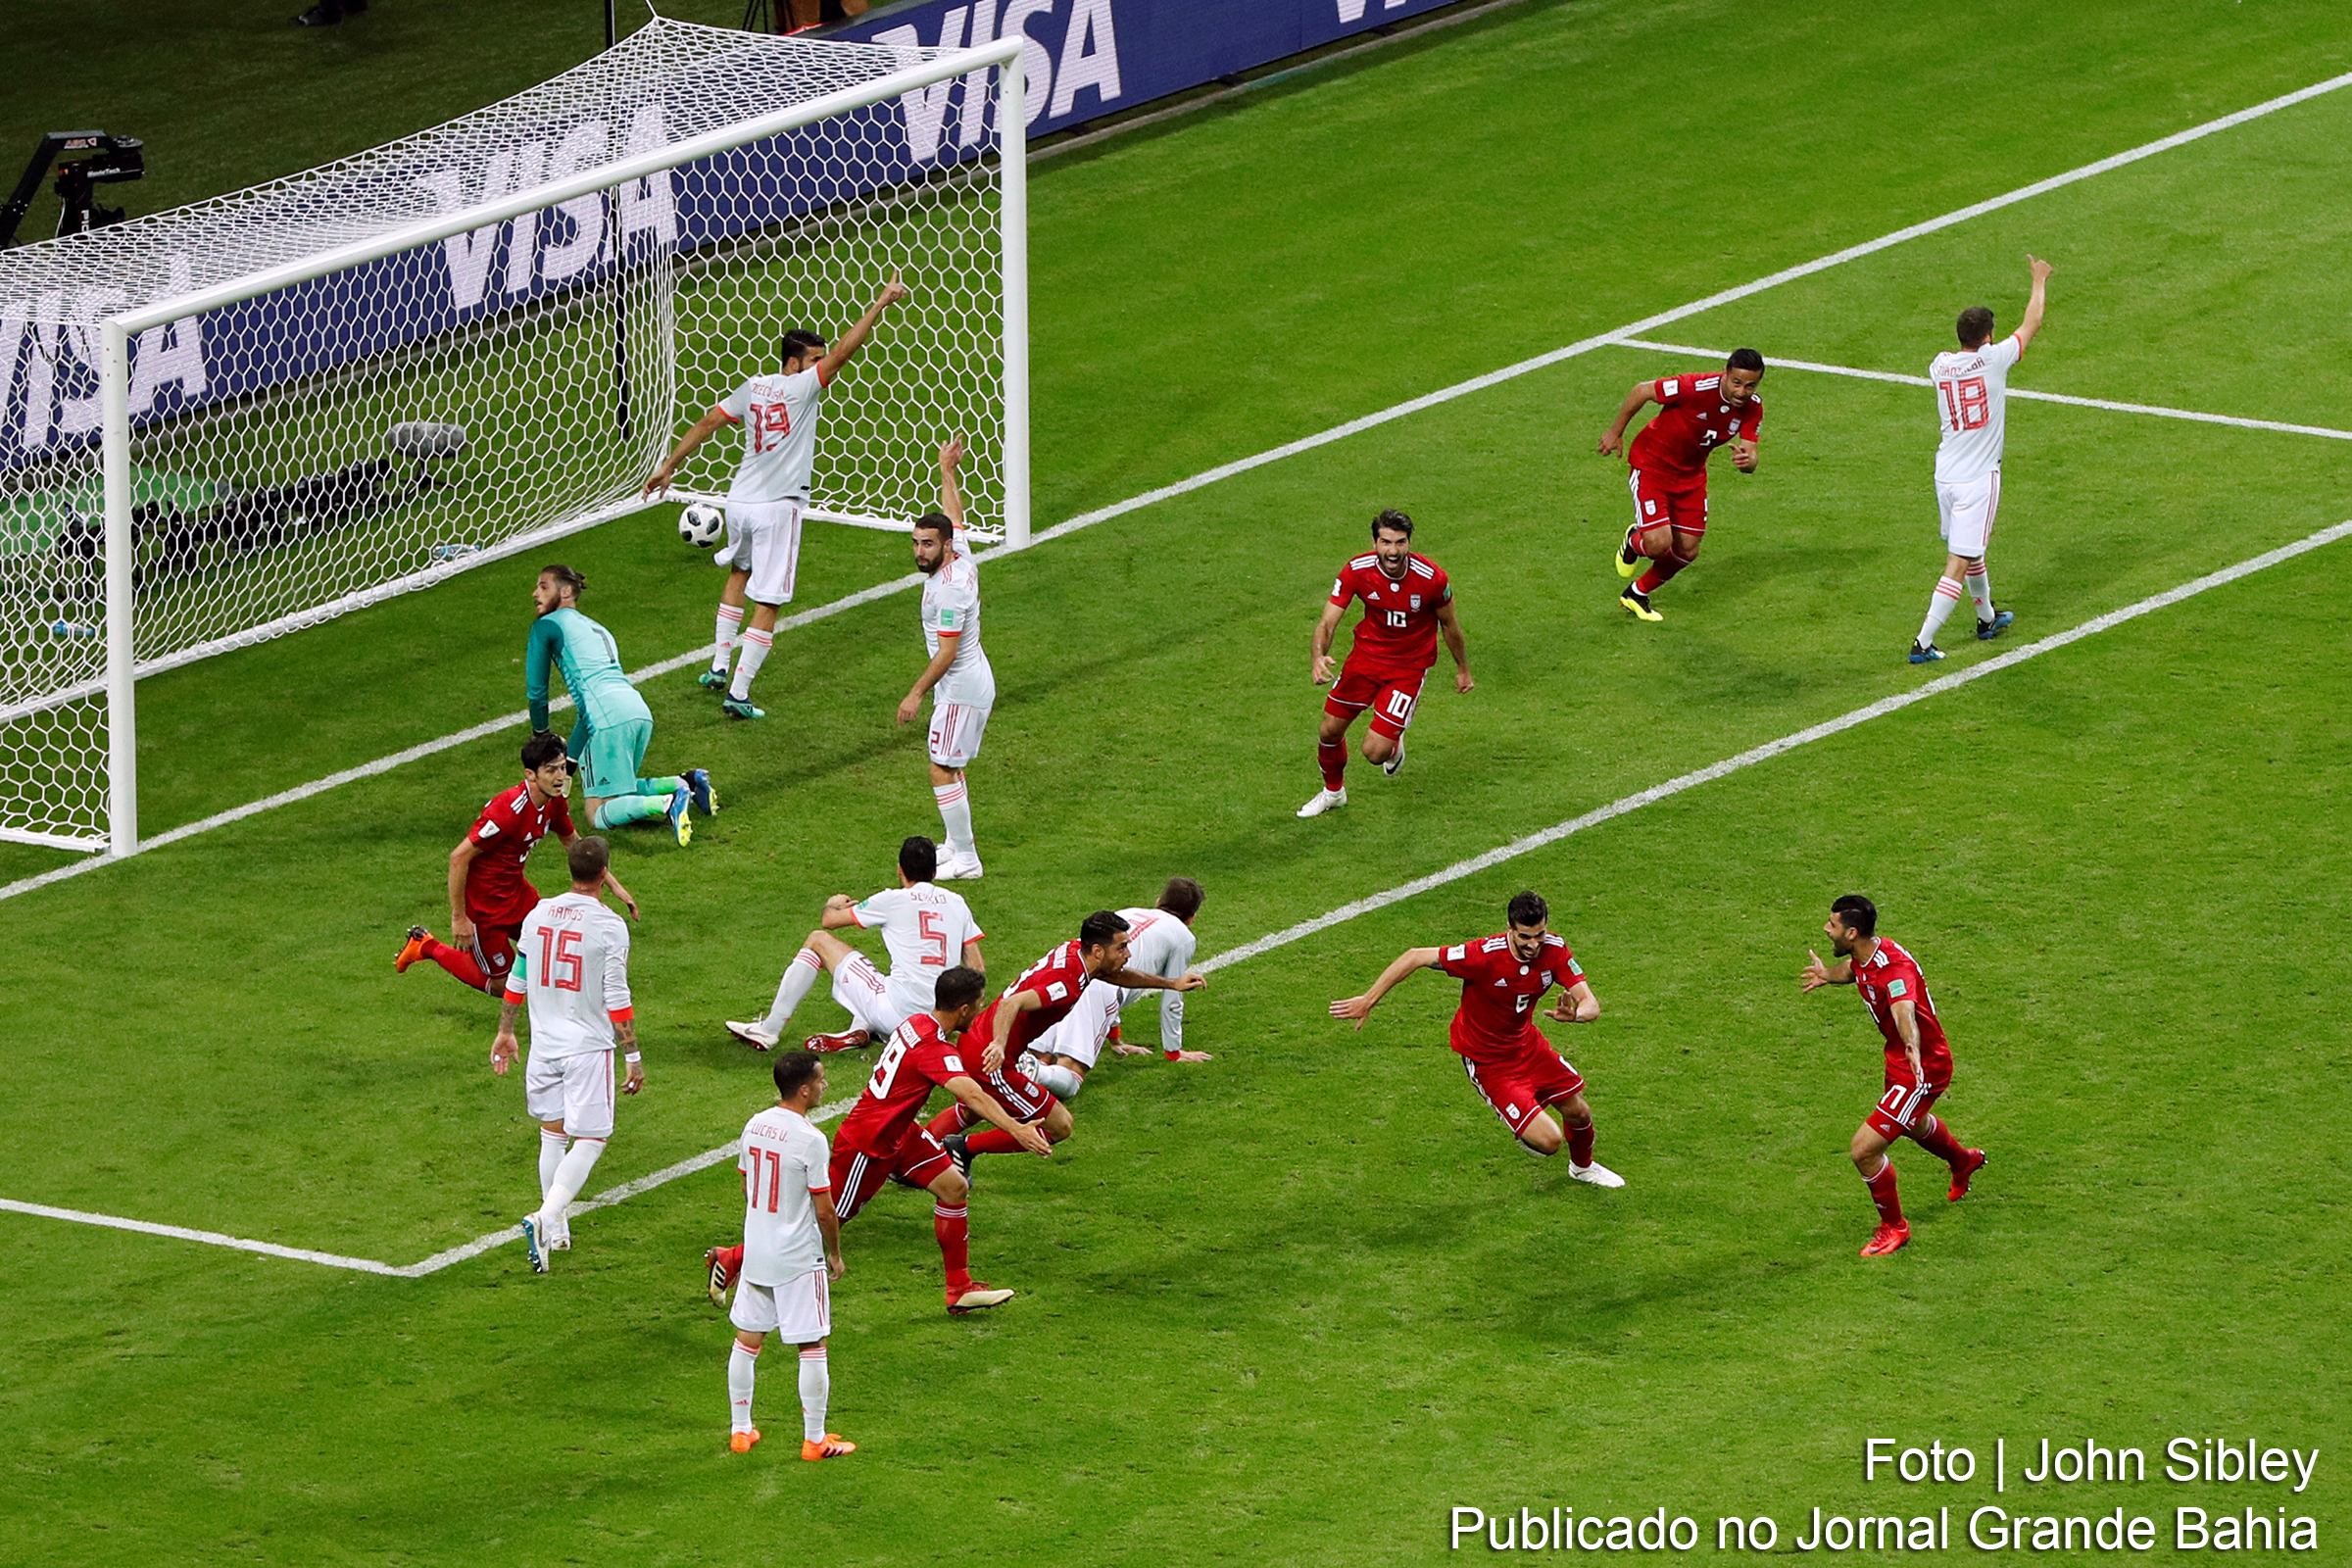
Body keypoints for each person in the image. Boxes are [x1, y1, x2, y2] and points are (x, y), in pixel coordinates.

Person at [707, 967, 1052, 1316]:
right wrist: (1016, 1129)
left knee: (954, 1187)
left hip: (900, 1132)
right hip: (868, 1144)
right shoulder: (932, 1047)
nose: (980, 1011)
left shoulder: (917, 1023)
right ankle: (731, 1257)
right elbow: (972, 1095)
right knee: (818, 1226)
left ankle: (959, 1289)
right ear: (963, 1009)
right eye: (978, 1005)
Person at [642, 277, 911, 720]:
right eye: (814, 361)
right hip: (777, 507)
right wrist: (880, 303)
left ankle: (718, 666)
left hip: (739, 502)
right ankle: (740, 693)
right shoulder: (802, 387)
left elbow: (710, 421)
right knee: (769, 600)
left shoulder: (753, 387)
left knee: (739, 571)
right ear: (793, 363)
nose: (821, 367)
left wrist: (669, 465)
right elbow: (846, 352)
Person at [1329, 890, 1621, 1186]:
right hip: (1489, 1062)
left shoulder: (1554, 950)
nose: (1534, 944)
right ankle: (1522, 1123)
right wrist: (1368, 1000)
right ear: (1510, 929)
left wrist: (1577, 1015)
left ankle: (1583, 1169)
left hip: (1527, 1047)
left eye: (1540, 935)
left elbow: (1591, 1003)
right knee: (1550, 1141)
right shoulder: (1482, 956)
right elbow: (1415, 956)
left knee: (1579, 1112)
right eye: (1525, 937)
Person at [928, 910, 1206, 1173]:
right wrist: (999, 1044)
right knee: (1059, 1126)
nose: (1128, 954)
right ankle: (962, 1148)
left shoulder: (1077, 951)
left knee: (974, 1107)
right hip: (991, 1057)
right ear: (1098, 951)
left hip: (977, 1038)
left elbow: (1116, 975)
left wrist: (1171, 984)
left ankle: (917, 1150)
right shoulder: (1066, 983)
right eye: (1121, 948)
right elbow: (1011, 1004)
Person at [1800, 895, 1987, 1256]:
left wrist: (1912, 1046)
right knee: (1913, 1124)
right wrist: (1826, 975)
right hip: (1900, 1062)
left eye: (1832, 925)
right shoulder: (1868, 954)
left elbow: (1904, 1010)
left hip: (1920, 1069)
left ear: (1852, 932)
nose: (1827, 929)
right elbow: (1856, 972)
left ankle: (1894, 1227)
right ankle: (1964, 1161)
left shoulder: (1895, 970)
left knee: (1863, 1150)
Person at [491, 836, 643, 1270]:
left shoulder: (537, 915)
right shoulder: (610, 925)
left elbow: (518, 976)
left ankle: (556, 1234)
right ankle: (547, 1216)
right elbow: (616, 994)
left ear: (571, 870)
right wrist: (631, 1055)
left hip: (543, 1047)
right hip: (586, 1048)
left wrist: (505, 1031)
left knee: (552, 1134)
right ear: (604, 873)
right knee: (592, 1139)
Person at [395, 732, 638, 996]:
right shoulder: (507, 811)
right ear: (531, 774)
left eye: (562, 768)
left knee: (549, 950)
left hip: (517, 894)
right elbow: (459, 857)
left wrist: (612, 884)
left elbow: (574, 845)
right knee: (503, 986)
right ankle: (425, 945)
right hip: (485, 909)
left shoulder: (554, 801)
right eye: (550, 770)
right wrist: (460, 918)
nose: (560, 777)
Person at [1910, 256, 2051, 663]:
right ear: (1989, 336)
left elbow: (1955, 362)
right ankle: (1923, 642)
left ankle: (1986, 619)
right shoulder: (1994, 359)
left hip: (1945, 475)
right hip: (1978, 478)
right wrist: (2038, 280)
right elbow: (2032, 324)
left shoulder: (1939, 366)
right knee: (1958, 560)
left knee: (1971, 551)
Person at [725, 835, 984, 1054]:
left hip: (898, 1015)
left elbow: (829, 921)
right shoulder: (956, 903)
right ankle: (860, 1029)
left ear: (900, 870)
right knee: (882, 981)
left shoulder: (891, 899)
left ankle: (769, 1030)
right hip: (939, 1021)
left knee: (818, 941)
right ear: (935, 872)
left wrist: (833, 902)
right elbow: (977, 968)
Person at [1298, 510, 1474, 818]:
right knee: (1329, 731)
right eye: (1386, 542)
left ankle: (1393, 742)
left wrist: (1462, 668)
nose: (1393, 551)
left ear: (1409, 543)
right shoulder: (1357, 570)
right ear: (1374, 542)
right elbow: (1327, 623)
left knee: (1375, 753)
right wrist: (1317, 655)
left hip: (1408, 668)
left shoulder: (1432, 578)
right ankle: (1333, 793)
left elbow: (1450, 625)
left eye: (1400, 543)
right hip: (1364, 660)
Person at [724, 1051, 854, 1460]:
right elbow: (824, 1209)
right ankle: (815, 1440)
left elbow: (747, 1187)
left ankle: (740, 1431)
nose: (824, 1086)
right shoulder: (811, 1140)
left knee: (747, 1341)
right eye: (821, 1080)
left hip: (758, 1251)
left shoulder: (754, 1124)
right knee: (812, 1345)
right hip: (798, 1258)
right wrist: (834, 1253)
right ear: (804, 1089)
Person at [524, 564, 712, 843]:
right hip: (637, 711)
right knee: (618, 789)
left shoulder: (545, 627)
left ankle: (667, 803)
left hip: (607, 720)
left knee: (597, 813)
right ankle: (684, 783)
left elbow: (537, 691)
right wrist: (571, 763)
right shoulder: (597, 628)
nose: (534, 593)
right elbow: (587, 709)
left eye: (543, 586)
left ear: (565, 591)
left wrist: (541, 734)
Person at [1597, 349, 1767, 621]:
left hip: (1690, 477)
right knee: (1658, 544)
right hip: (1652, 465)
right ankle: (1634, 541)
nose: (1742, 391)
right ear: (1725, 374)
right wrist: (1615, 432)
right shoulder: (1695, 387)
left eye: (1750, 385)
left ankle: (1636, 593)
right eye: (1737, 382)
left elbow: (1751, 452)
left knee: (1688, 549)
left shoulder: (1753, 407)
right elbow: (1643, 390)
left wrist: (1748, 462)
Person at [897, 436, 995, 879]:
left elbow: (948, 651)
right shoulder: (959, 556)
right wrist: (946, 470)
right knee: (951, 767)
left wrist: (915, 693)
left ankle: (968, 860)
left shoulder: (951, 588)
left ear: (945, 547)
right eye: (916, 543)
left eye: (928, 545)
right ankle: (956, 847)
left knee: (941, 768)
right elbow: (954, 517)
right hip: (966, 684)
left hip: (959, 686)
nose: (920, 552)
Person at [1030, 877, 1214, 1099]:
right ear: (1192, 918)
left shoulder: (1127, 913)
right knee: (1069, 1071)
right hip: (1103, 986)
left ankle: (1015, 1082)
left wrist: (1116, 1039)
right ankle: (1035, 1083)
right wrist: (1173, 1051)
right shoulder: (1184, 937)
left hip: (1070, 971)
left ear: (1158, 901)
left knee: (1041, 1053)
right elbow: (1173, 994)